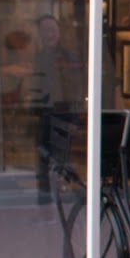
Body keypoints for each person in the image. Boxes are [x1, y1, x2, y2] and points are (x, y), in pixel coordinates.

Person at [32, 14, 84, 197]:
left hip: (63, 115)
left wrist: (74, 119)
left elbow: (76, 90)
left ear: (59, 32)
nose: (50, 34)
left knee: (61, 159)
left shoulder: (68, 57)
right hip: (44, 114)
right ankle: (44, 195)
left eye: (53, 30)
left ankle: (65, 196)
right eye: (46, 30)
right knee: (42, 156)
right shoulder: (39, 57)